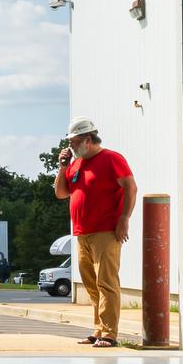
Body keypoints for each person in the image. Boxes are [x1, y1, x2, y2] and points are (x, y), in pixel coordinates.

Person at [51, 116, 138, 348]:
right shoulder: (76, 165)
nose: (71, 147)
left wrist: (124, 219)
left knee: (106, 282)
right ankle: (99, 329)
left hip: (105, 231)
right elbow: (61, 193)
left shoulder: (111, 158)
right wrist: (62, 166)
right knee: (91, 284)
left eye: (74, 142)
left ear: (88, 139)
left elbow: (130, 187)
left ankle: (109, 333)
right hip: (82, 233)